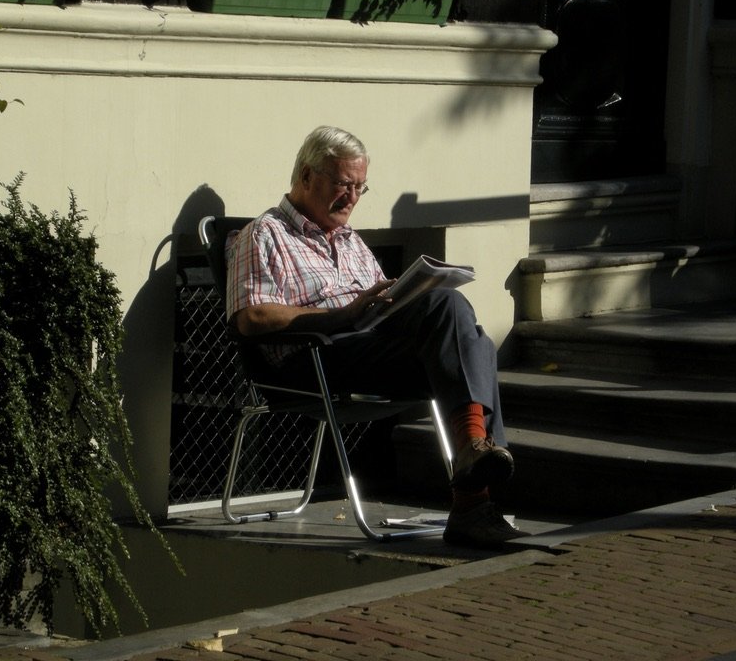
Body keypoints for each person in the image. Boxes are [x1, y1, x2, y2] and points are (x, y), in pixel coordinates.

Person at [225, 125, 527, 548]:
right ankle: (473, 491)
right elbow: (251, 317)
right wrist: (342, 315)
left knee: (467, 336)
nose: (351, 199)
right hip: (314, 358)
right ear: (307, 176)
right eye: (343, 185)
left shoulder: (351, 242)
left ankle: (474, 457)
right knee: (454, 321)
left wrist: (402, 296)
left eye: (360, 188)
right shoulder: (265, 234)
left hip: (368, 349)